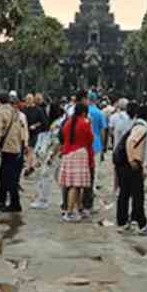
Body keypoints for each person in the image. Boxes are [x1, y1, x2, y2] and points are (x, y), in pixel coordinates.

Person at [116, 104, 147, 235]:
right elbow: (131, 142)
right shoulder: (141, 128)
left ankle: (123, 223)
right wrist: (132, 160)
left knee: (125, 194)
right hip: (132, 164)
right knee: (138, 195)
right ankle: (142, 225)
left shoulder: (136, 126)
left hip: (124, 164)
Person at [0, 91, 28, 213]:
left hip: (7, 148)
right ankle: (3, 201)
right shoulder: (16, 112)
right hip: (16, 147)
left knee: (6, 176)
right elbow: (20, 131)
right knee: (8, 176)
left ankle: (14, 203)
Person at [59, 90, 94, 222]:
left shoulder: (68, 123)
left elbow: (62, 137)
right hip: (80, 154)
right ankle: (69, 212)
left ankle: (74, 209)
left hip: (68, 154)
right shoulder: (85, 123)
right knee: (76, 185)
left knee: (70, 184)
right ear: (84, 112)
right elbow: (90, 139)